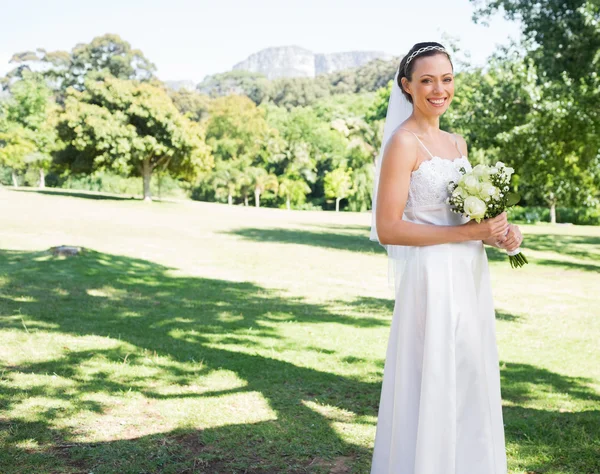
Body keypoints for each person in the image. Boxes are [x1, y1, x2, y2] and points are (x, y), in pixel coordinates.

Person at [369, 42, 523, 473]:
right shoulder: (403, 143)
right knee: (434, 376)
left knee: (470, 374)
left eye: (447, 78)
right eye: (427, 80)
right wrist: (469, 231)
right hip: (431, 277)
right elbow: (388, 228)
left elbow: (467, 215)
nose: (439, 89)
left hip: (469, 272)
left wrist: (500, 234)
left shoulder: (457, 143)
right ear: (407, 86)